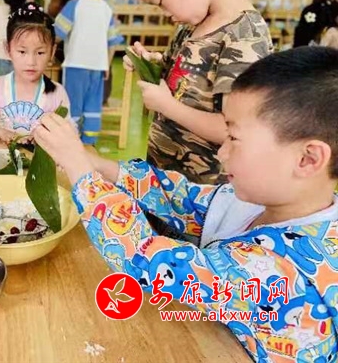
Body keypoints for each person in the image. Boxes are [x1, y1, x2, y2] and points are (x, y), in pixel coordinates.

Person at [35, 46, 338, 362]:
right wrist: (97, 164)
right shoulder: (279, 203)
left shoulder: (281, 275)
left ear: (308, 159)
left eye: (234, 138)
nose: (221, 152)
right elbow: (183, 199)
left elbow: (145, 258)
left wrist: (79, 169)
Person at [123, 0, 273, 184]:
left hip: (201, 197)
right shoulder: (191, 22)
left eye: (161, 2)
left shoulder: (246, 36)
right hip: (166, 184)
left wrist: (167, 106)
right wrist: (152, 65)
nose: (165, 13)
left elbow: (233, 130)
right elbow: (184, 81)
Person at [0, 2, 72, 144]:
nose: (31, 62)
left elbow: (67, 136)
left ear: (52, 52)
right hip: (0, 158)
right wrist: (0, 133)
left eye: (40, 52)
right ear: (8, 49)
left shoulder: (57, 93)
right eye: (22, 52)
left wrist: (44, 136)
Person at [54, 0, 123, 145]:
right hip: (98, 68)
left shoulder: (74, 4)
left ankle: (72, 143)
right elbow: (113, 41)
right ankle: (89, 143)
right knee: (93, 107)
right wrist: (107, 64)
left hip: (75, 66)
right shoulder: (106, 8)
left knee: (73, 106)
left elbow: (58, 33)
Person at [47, 0, 70, 66]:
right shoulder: (51, 22)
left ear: (63, 6)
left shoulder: (65, 22)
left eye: (53, 0)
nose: (49, 4)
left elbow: (54, 39)